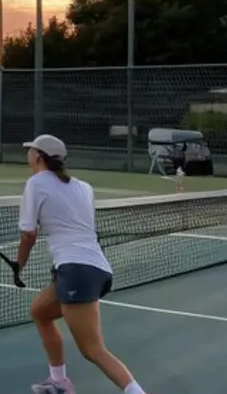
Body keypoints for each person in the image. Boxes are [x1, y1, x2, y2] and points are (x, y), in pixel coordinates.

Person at [15, 134, 148, 394]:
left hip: (76, 271)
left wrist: (19, 264)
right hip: (93, 269)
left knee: (93, 350)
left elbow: (29, 234)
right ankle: (59, 381)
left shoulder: (36, 183)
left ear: (39, 157)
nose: (27, 154)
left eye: (30, 150)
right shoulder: (84, 187)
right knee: (40, 311)